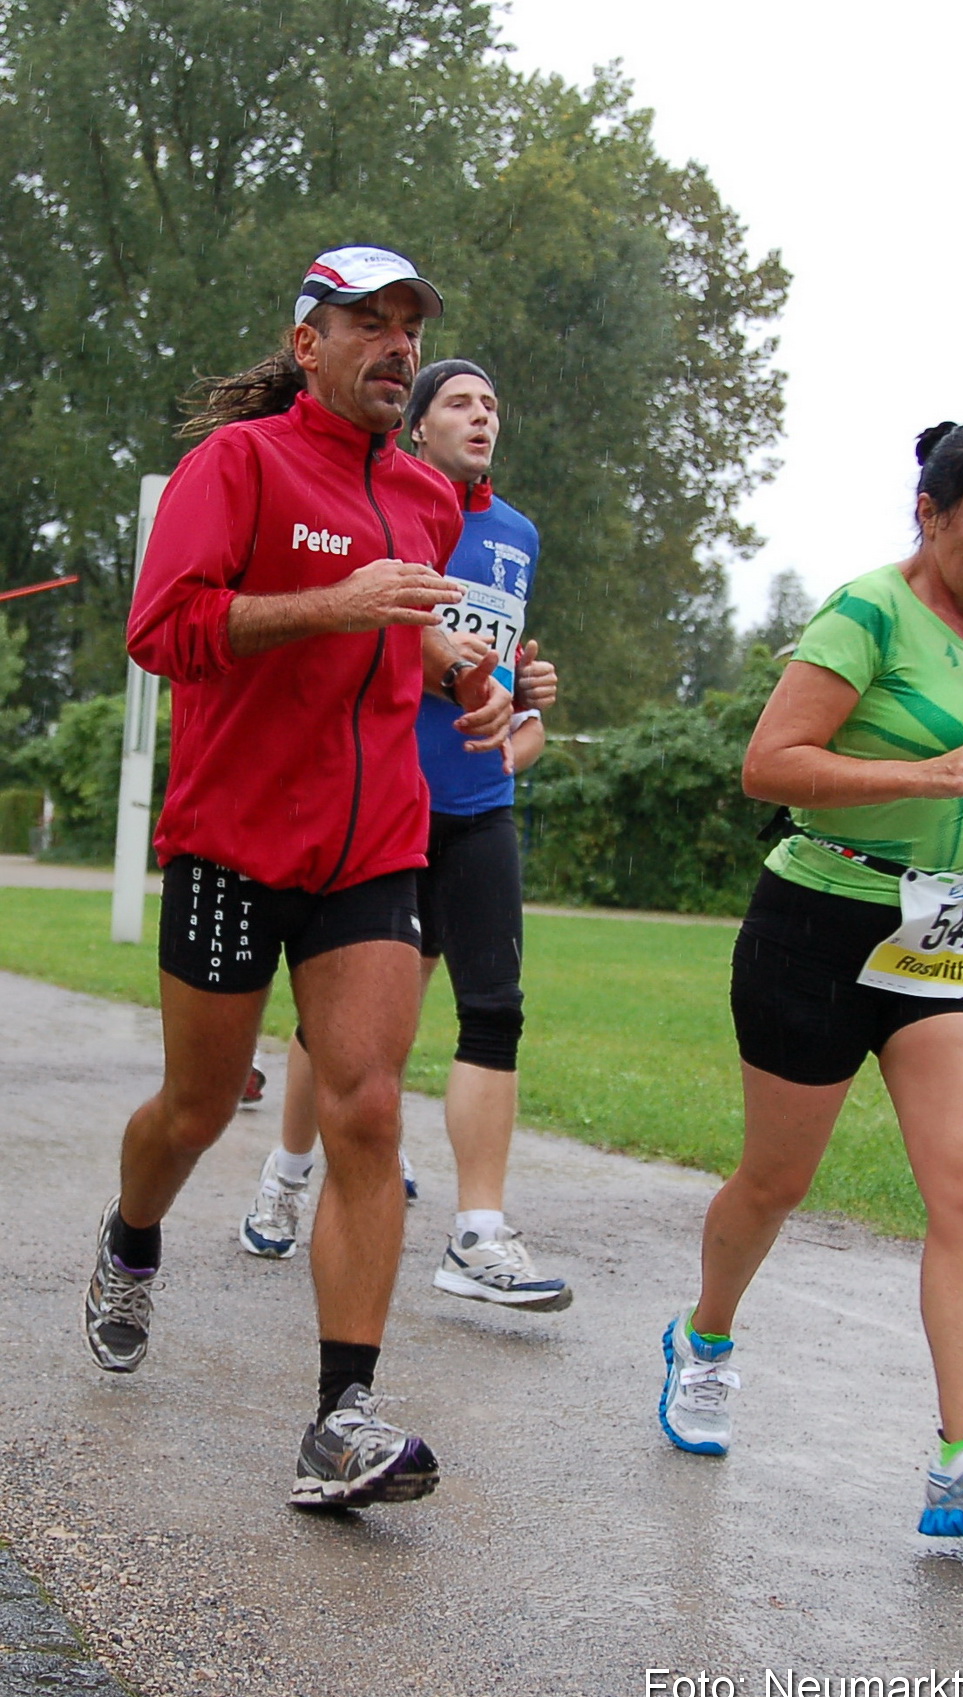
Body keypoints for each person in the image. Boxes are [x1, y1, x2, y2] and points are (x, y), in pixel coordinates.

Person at [83, 245, 513, 1510]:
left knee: (367, 1109)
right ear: (307, 341)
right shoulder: (240, 464)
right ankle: (133, 1236)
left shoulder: (428, 496)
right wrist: (332, 601)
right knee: (197, 1106)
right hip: (235, 840)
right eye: (368, 322)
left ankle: (343, 1416)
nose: (397, 345)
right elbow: (163, 629)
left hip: (375, 843)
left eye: (409, 327)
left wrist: (462, 669)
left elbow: (402, 619)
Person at [660, 418, 963, 1539]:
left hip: (939, 932)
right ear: (929, 512)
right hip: (817, 922)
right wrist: (932, 774)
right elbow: (770, 765)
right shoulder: (864, 611)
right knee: (774, 1182)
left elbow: (961, 731)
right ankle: (704, 1338)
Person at [241, 359, 572, 1311]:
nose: (482, 416)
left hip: (479, 808)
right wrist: (430, 656)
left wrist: (524, 705)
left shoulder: (517, 535)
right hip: (385, 803)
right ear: (417, 426)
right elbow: (340, 635)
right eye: (460, 402)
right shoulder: (382, 508)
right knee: (347, 1027)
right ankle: (288, 1173)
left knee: (496, 1009)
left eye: (493, 403)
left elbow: (509, 692)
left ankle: (478, 1234)